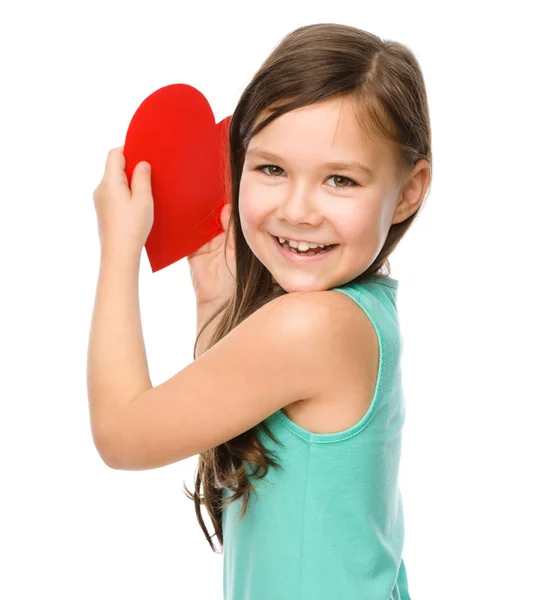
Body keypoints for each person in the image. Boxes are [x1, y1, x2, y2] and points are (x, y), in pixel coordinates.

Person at [91, 21, 432, 600]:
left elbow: (121, 435)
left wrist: (119, 250)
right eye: (271, 169)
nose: (298, 210)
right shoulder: (361, 310)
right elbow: (233, 422)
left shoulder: (311, 326)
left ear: (408, 190)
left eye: (340, 180)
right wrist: (216, 303)